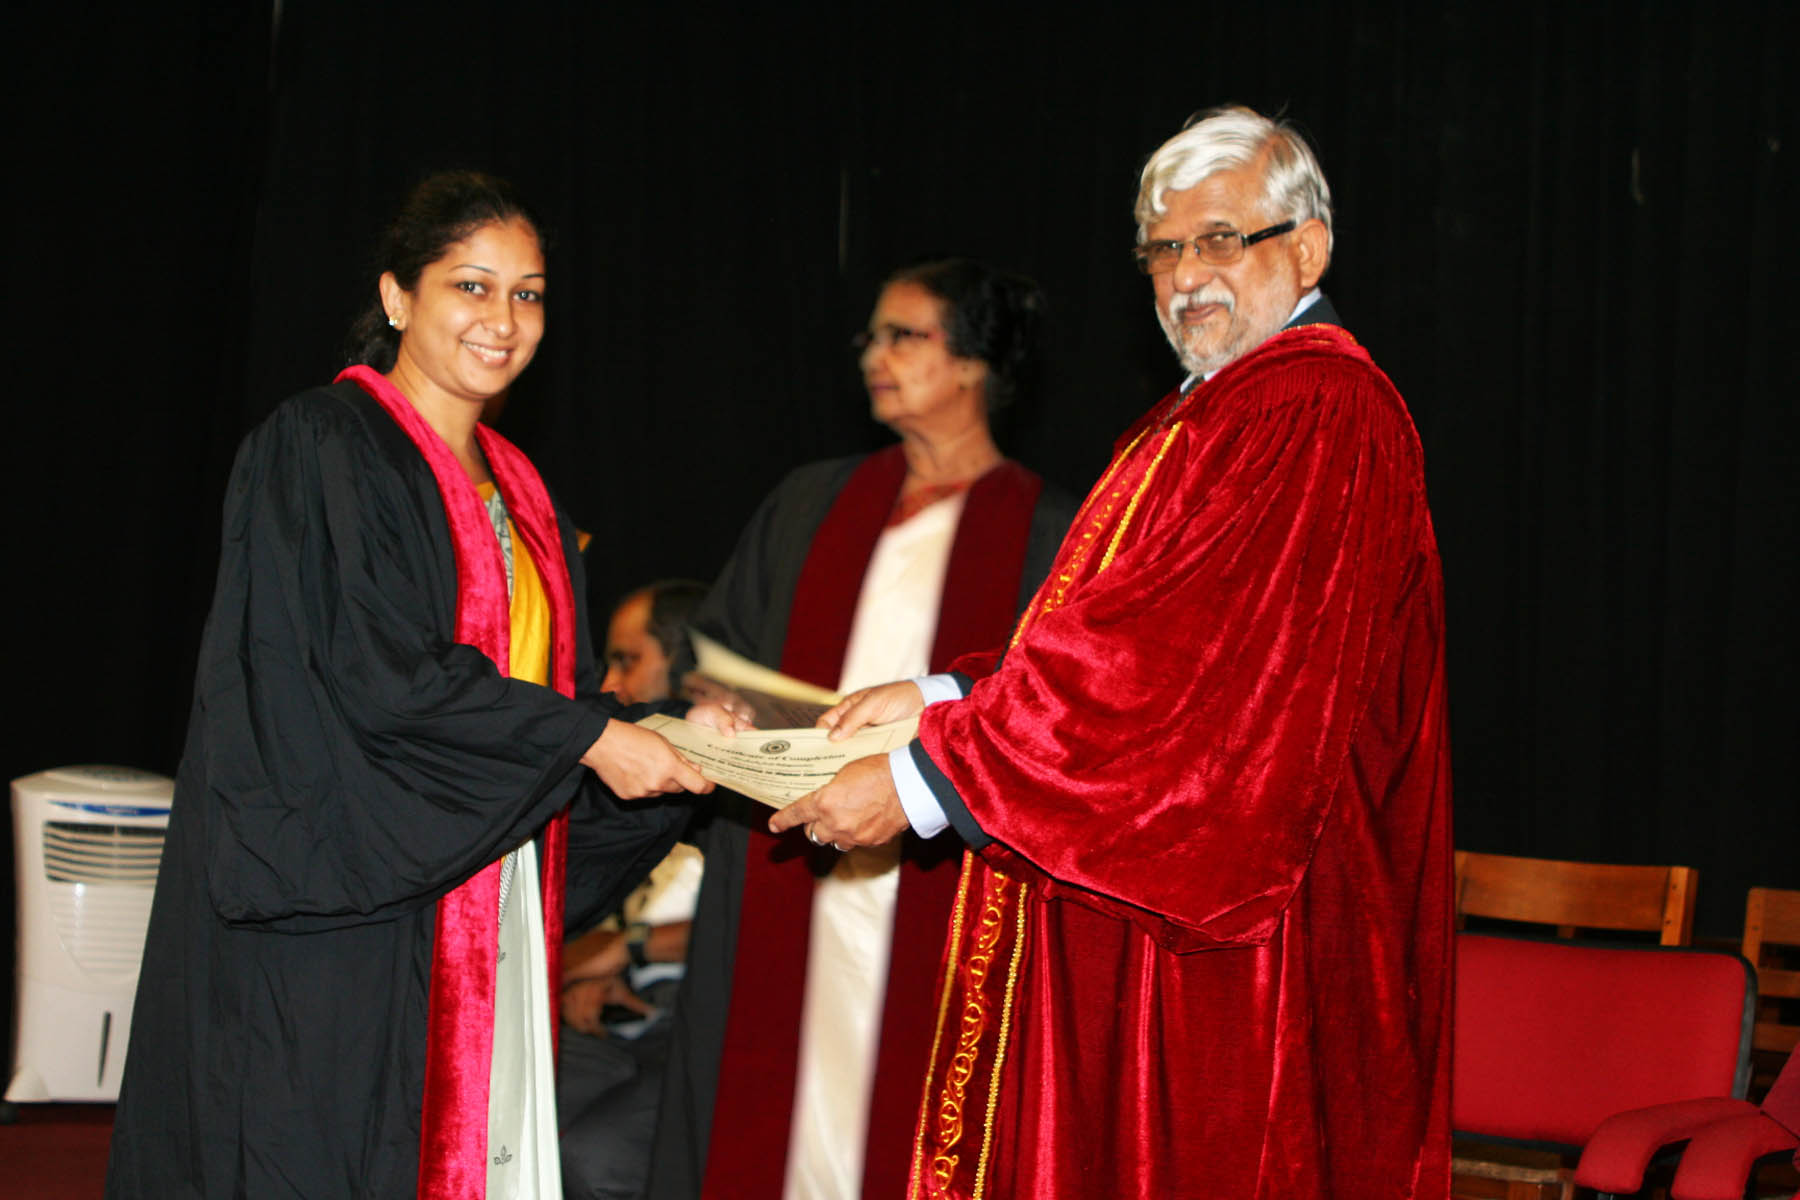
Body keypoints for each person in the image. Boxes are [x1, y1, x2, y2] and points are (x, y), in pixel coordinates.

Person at [777, 106, 1454, 1198]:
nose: (1187, 277)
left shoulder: (1319, 408)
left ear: (1308, 248)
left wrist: (925, 779)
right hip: (1145, 923)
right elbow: (1119, 632)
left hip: (1245, 964)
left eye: (1220, 239)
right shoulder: (1206, 415)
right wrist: (943, 694)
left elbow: (1195, 686)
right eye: (1164, 249)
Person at [106, 171, 729, 1199]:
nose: (503, 320)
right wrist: (590, 740)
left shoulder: (525, 492)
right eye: (471, 286)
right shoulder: (323, 446)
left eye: (528, 294)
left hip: (488, 892)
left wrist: (678, 729)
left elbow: (556, 696)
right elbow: (372, 674)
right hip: (348, 897)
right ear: (398, 296)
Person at [648, 260, 1078, 1200]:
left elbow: (1061, 712)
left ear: (973, 362)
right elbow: (716, 647)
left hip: (938, 876)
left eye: (903, 336)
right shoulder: (811, 500)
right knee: (772, 1119)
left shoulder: (1050, 533)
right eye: (870, 337)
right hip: (786, 856)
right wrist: (716, 706)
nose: (874, 356)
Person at [560, 580, 708, 1200]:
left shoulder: (732, 778)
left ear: (687, 666)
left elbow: (770, 930)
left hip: (700, 1025)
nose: (610, 685)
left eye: (628, 660)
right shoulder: (608, 784)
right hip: (614, 1012)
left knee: (589, 1159)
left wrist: (629, 947)